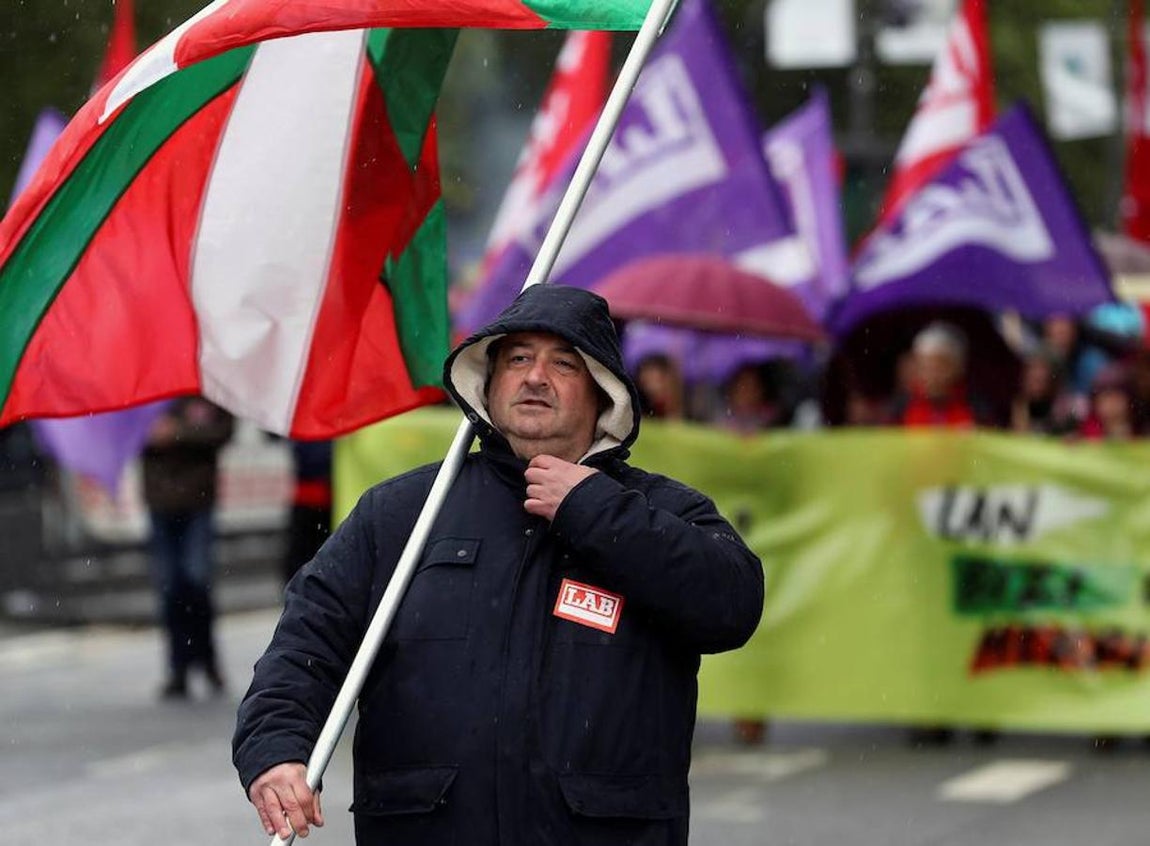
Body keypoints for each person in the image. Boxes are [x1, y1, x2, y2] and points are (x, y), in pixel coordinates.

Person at [233, 285, 764, 845]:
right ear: (488, 383)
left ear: (603, 396)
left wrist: (595, 510)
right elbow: (306, 643)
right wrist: (277, 750)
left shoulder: (663, 511)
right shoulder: (403, 513)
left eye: (564, 363)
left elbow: (731, 604)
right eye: (517, 359)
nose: (536, 376)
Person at [142, 396, 234, 700]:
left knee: (196, 580)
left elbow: (223, 431)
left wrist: (177, 432)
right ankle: (178, 666)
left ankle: (206, 658)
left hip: (197, 501)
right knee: (169, 586)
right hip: (160, 503)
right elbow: (128, 435)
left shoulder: (206, 384)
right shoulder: (148, 389)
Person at [892, 322, 993, 428]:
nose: (932, 375)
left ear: (958, 368)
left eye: (940, 367)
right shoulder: (902, 405)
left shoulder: (976, 407)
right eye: (925, 367)